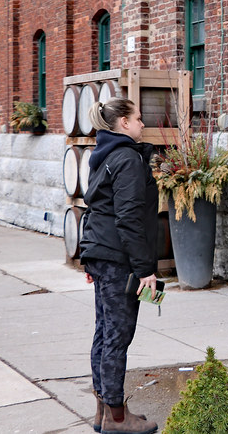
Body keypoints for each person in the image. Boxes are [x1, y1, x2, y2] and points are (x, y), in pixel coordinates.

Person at [79, 98, 159, 434]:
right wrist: (145, 270)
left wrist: (89, 255)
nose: (143, 124)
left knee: (104, 332)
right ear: (123, 123)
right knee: (117, 336)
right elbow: (128, 218)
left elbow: (96, 207)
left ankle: (106, 410)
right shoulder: (126, 158)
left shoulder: (103, 155)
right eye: (138, 119)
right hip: (119, 258)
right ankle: (116, 418)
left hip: (103, 253)